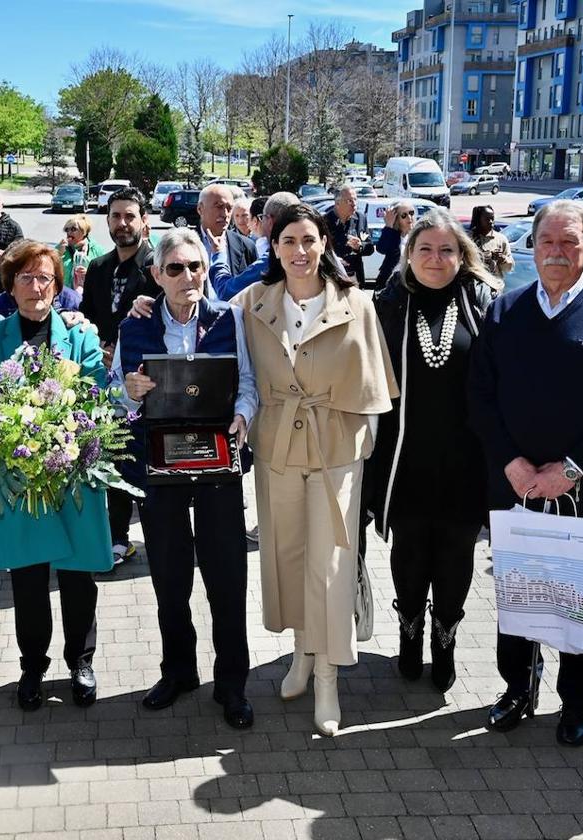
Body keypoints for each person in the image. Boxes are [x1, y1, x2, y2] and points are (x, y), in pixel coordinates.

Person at [470, 200, 583, 747]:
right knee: (519, 593)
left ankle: (575, 703)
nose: (556, 252)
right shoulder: (505, 311)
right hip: (515, 485)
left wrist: (570, 469)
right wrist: (511, 461)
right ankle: (516, 689)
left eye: (570, 242)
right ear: (533, 245)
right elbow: (481, 396)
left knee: (576, 597)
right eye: (547, 240)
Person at [233, 203, 397, 736]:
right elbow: (194, 311)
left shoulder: (357, 303)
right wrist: (146, 302)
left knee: (329, 561)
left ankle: (328, 675)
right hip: (278, 445)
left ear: (324, 242)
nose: (299, 251)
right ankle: (303, 651)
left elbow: (375, 383)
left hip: (336, 449)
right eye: (288, 241)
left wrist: (364, 443)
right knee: (288, 552)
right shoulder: (253, 301)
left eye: (309, 240)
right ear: (273, 247)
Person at [112, 227, 258, 729]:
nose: (187, 277)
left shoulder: (230, 318)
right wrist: (130, 392)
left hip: (218, 461)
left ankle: (232, 684)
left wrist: (243, 416)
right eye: (174, 268)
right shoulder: (136, 323)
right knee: (170, 578)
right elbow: (115, 395)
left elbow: (248, 383)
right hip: (158, 465)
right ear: (156, 275)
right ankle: (178, 671)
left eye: (195, 267)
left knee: (227, 577)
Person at [0, 241, 111, 711]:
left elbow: (98, 394)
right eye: (26, 278)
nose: (36, 287)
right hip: (20, 477)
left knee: (77, 575)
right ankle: (32, 665)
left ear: (58, 285)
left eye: (45, 278)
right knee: (27, 579)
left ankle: (81, 660)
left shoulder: (79, 335)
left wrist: (67, 428)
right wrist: (9, 433)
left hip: (71, 473)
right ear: (10, 286)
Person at [367, 209, 499, 692]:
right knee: (409, 559)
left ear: (462, 255)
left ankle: (445, 640)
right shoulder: (387, 303)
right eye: (425, 248)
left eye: (447, 249)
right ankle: (409, 634)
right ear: (409, 254)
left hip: (465, 463)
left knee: (454, 561)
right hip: (405, 462)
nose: (436, 258)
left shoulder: (485, 303)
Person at [79, 187, 161, 568]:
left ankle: (161, 535)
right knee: (109, 457)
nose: (123, 223)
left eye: (130, 216)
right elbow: (87, 317)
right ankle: (115, 537)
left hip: (147, 383)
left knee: (144, 462)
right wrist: (100, 344)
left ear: (144, 219)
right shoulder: (98, 268)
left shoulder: (158, 267)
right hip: (105, 381)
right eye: (115, 217)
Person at [210, 191, 301, 301]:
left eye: (263, 217)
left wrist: (219, 256)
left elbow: (225, 291)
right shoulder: (315, 254)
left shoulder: (271, 261)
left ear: (270, 221)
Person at [195, 183, 257, 275]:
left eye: (229, 208)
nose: (225, 214)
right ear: (200, 209)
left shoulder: (246, 246)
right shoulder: (184, 244)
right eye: (219, 207)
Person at [323, 186, 374, 287]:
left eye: (355, 199)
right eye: (349, 201)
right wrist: (334, 259)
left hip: (355, 278)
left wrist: (359, 246)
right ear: (337, 203)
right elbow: (319, 250)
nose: (354, 204)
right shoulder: (324, 222)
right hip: (333, 277)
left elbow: (370, 248)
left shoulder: (360, 218)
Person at [375, 200, 416, 288]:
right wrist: (389, 226)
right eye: (404, 215)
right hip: (390, 283)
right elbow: (381, 248)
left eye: (411, 213)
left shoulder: (417, 235)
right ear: (396, 219)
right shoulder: (393, 235)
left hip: (411, 282)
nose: (409, 217)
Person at [58, 214, 105, 291]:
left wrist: (89, 274)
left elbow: (106, 274)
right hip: (66, 297)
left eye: (73, 229)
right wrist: (58, 254)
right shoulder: (61, 248)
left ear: (84, 232)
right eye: (67, 230)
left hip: (90, 296)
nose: (69, 232)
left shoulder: (97, 250)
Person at [469, 205, 515, 282]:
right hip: (473, 285)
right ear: (478, 220)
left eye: (492, 218)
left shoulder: (501, 239)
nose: (491, 222)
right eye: (487, 219)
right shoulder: (468, 239)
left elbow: (509, 268)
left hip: (494, 286)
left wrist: (502, 259)